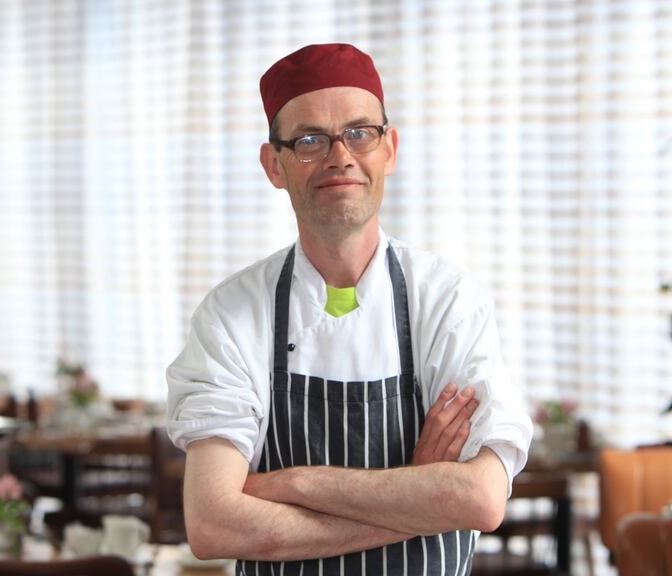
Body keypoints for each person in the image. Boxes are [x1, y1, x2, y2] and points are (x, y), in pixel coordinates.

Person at [165, 43, 533, 575]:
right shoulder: (232, 315)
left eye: (361, 133)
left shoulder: (448, 299)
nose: (341, 156)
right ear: (274, 165)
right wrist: (418, 491)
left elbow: (479, 500)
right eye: (310, 140)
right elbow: (214, 525)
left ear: (390, 149)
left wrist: (293, 483)